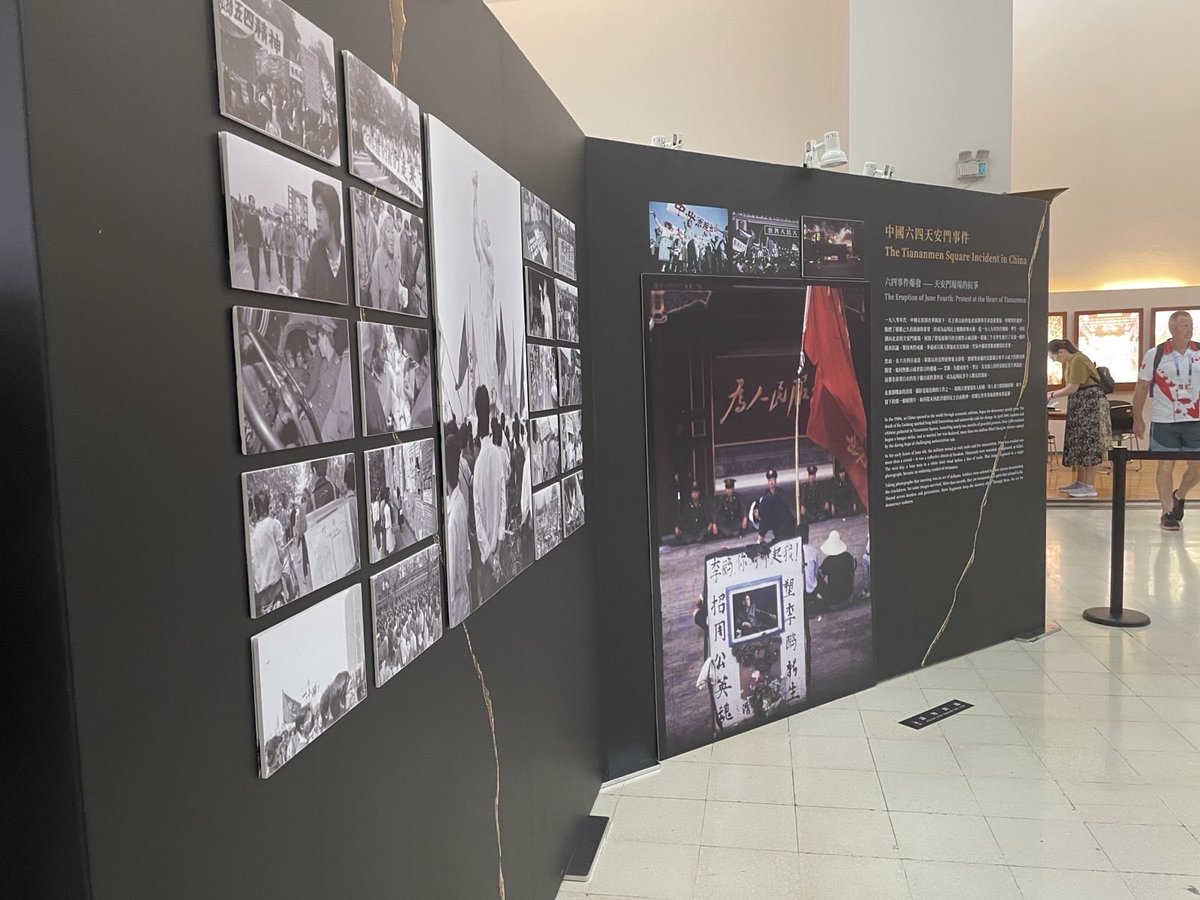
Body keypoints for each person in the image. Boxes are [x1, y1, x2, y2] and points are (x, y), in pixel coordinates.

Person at [1131, 310, 1200, 531]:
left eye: (1191, 325)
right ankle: (1167, 512)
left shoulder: (1198, 352)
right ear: (1172, 328)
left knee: (1197, 467)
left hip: (1195, 419)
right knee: (1165, 465)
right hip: (1164, 420)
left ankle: (1179, 495)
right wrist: (1137, 417)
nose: (1189, 330)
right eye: (1184, 325)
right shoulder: (1156, 354)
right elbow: (1142, 387)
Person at [1047, 338, 1111, 499]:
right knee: (1080, 443)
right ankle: (1080, 482)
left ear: (1061, 351)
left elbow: (1072, 387)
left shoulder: (1078, 360)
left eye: (1053, 356)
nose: (1054, 360)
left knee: (1090, 443)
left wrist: (1051, 394)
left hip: (1090, 404)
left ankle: (1089, 486)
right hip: (1080, 404)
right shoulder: (1070, 361)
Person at [472, 388, 508, 599]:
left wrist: (490, 559)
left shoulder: (478, 466)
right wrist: (498, 551)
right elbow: (503, 505)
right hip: (500, 552)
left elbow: (478, 521)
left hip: (487, 562)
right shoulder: (498, 455)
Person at [302, 181, 348, 303]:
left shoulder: (347, 259)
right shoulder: (316, 251)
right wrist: (293, 296)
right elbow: (307, 290)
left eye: (320, 209)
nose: (317, 217)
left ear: (333, 213)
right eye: (316, 210)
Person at [309, 319, 354, 443]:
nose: (318, 345)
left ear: (324, 339)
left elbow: (339, 410)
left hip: (325, 428)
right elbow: (317, 394)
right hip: (316, 420)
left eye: (318, 340)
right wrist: (309, 405)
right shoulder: (323, 364)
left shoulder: (340, 368)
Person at [249, 489, 286, 615]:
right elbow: (281, 552)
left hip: (261, 594)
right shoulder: (273, 524)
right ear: (268, 505)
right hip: (275, 586)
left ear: (255, 509)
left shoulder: (252, 535)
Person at [814, 530, 856, 610]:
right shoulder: (848, 557)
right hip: (848, 597)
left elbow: (819, 577)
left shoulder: (828, 561)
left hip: (833, 602)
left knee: (817, 577)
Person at [753, 468, 794, 543]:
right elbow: (760, 505)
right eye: (769, 480)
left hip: (781, 522)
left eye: (773, 480)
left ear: (775, 481)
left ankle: (761, 537)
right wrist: (757, 511)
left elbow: (786, 509)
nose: (771, 482)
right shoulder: (765, 494)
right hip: (771, 521)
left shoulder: (781, 493)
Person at [243, 195, 264, 290]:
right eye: (252, 202)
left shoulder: (256, 217)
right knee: (251, 263)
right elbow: (245, 229)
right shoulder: (246, 216)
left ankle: (256, 285)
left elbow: (259, 230)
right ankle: (255, 277)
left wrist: (261, 242)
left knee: (256, 264)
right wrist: (244, 243)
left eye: (254, 202)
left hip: (256, 245)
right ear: (249, 203)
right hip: (249, 244)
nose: (254, 204)